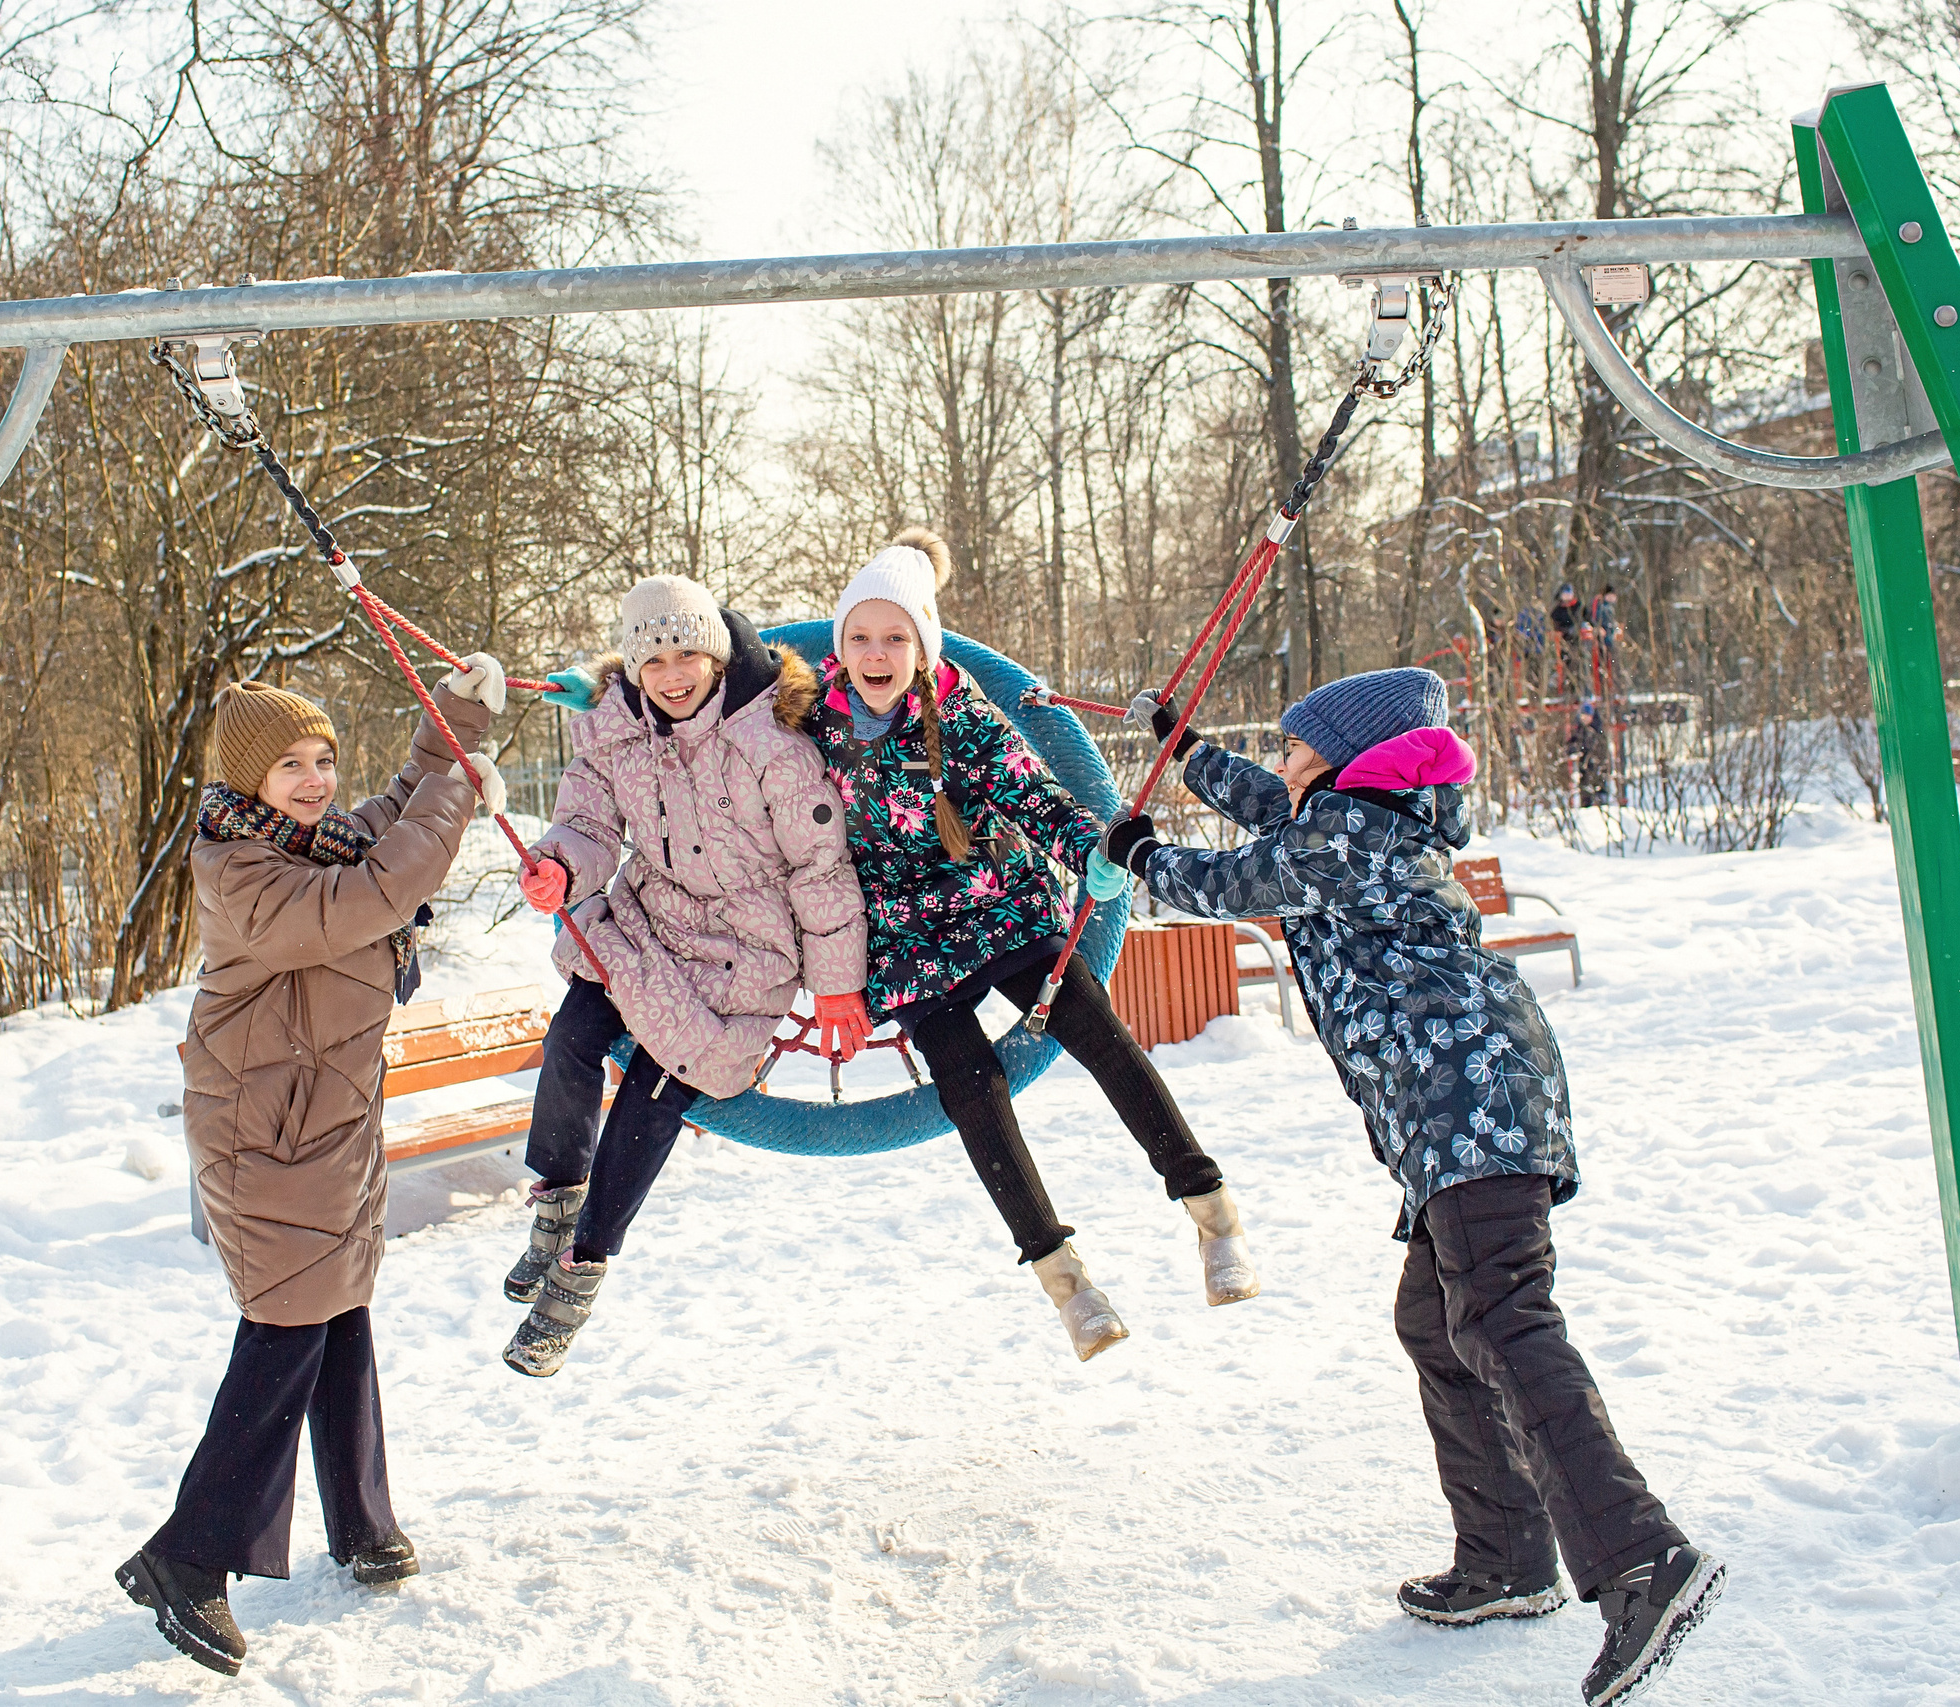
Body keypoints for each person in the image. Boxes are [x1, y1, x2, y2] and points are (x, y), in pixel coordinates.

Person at [1102, 667, 1723, 1707]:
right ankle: (1505, 1560)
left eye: (1300, 751)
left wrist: (1135, 854)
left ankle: (1638, 1560)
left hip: (1465, 1107)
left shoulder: (1343, 839)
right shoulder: (1361, 819)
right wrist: (1186, 745)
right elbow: (1270, 808)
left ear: (1346, 764)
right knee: (1440, 1323)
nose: (1285, 767)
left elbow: (1228, 884)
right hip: (1468, 1105)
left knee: (1501, 1319)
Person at [117, 660, 505, 1677]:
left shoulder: (315, 839)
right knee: (287, 1327)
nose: (315, 778)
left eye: (323, 758)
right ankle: (189, 1558)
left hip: (323, 1118)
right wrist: (460, 793)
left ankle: (363, 1524)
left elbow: (392, 814)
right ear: (247, 780)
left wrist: (456, 723)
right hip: (266, 1129)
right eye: (288, 764)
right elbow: (385, 888)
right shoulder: (243, 870)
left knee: (338, 1310)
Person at [803, 528, 1257, 1363]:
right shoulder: (809, 717)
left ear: (923, 645)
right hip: (905, 939)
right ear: (839, 646)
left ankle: (1210, 1207)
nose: (877, 653)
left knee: (1095, 1028)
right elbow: (707, 678)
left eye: (896, 636)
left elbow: (1026, 784)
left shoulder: (958, 707)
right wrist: (606, 692)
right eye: (860, 636)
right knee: (970, 1088)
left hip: (996, 902)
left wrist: (1092, 845)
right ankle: (1064, 1276)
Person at [500, 575, 868, 1378]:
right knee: (570, 1037)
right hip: (651, 916)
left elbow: (819, 865)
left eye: (687, 653)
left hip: (746, 947)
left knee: (667, 1078)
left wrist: (837, 981)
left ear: (716, 651)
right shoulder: (616, 730)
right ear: (632, 667)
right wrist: (561, 865)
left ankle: (583, 1266)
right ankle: (559, 1195)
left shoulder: (769, 737)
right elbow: (589, 819)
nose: (672, 674)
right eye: (652, 659)